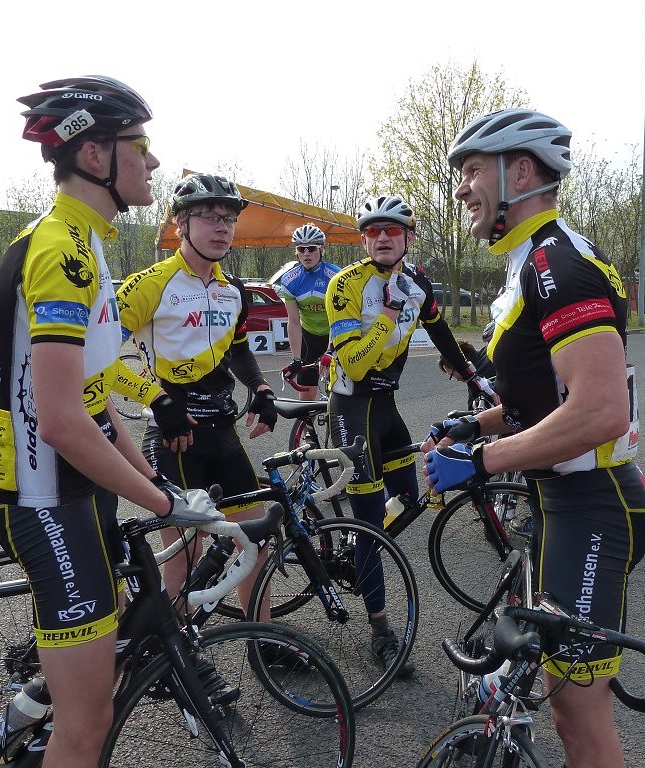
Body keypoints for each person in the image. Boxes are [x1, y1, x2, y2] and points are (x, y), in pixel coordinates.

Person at [0, 77, 221, 768]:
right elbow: (60, 422)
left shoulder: (85, 244)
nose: (151, 163)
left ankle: (22, 729)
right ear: (94, 155)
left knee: (97, 684)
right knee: (87, 728)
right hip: (47, 502)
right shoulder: (59, 251)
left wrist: (155, 482)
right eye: (138, 146)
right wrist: (165, 501)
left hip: (75, 494)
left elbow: (93, 400)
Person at [422, 108, 645, 768]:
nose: (462, 188)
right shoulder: (528, 265)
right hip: (561, 502)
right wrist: (470, 426)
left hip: (594, 506)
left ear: (519, 171)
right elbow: (540, 402)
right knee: (561, 702)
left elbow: (599, 409)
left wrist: (482, 461)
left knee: (577, 716)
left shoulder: (557, 265)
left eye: (470, 171)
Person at [325, 194, 493, 677]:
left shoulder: (418, 283)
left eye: (392, 231)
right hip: (352, 408)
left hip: (387, 409)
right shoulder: (346, 285)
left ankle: (360, 553)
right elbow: (354, 363)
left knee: (410, 497)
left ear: (408, 238)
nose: (382, 238)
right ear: (363, 239)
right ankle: (379, 627)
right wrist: (385, 317)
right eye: (373, 231)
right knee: (370, 523)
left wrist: (471, 374)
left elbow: (440, 333)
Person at [115, 173, 278, 626]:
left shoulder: (232, 290)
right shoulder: (152, 283)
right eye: (208, 216)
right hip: (174, 440)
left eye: (228, 218)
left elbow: (238, 347)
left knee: (253, 544)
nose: (221, 226)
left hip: (222, 434)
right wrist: (157, 400)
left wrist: (260, 388)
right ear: (180, 223)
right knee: (185, 557)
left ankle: (262, 641)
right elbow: (97, 357)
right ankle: (179, 659)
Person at [279, 224, 340, 400]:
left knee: (338, 394)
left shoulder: (335, 276)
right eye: (301, 249)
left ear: (322, 249)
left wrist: (330, 351)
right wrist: (296, 359)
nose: (306, 253)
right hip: (309, 337)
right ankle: (306, 428)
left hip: (334, 334)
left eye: (311, 248)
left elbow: (338, 320)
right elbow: (293, 321)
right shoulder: (290, 280)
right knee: (305, 399)